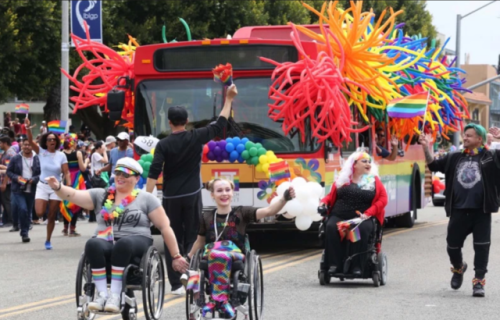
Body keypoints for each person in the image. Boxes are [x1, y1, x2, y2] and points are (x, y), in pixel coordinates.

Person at [44, 157, 189, 313]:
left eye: (126, 174)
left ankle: (115, 295)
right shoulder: (102, 195)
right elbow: (72, 195)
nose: (120, 177)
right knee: (92, 244)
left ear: (137, 178)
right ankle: (102, 295)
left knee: (123, 243)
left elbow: (165, 227)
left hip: (137, 241)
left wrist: (176, 255)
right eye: (118, 173)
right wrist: (57, 186)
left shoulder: (146, 198)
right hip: (106, 240)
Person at [146, 84, 238, 295]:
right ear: (186, 121)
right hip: (192, 194)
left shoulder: (163, 144)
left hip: (170, 196)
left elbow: (154, 172)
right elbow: (220, 123)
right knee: (194, 237)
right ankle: (191, 276)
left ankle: (176, 284)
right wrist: (229, 99)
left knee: (172, 237)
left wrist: (144, 195)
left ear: (169, 122)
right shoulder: (196, 136)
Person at [186, 178, 295, 318]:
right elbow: (200, 242)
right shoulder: (206, 216)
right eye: (219, 191)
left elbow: (269, 211)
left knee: (219, 256)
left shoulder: (242, 212)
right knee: (195, 270)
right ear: (212, 194)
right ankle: (208, 300)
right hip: (211, 253)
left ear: (232, 192)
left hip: (235, 255)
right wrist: (188, 258)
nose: (224, 193)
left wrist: (284, 199)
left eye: (227, 190)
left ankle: (218, 301)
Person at [419, 123, 500, 297]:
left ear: (480, 139)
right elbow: (433, 165)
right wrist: (426, 147)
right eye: (464, 135)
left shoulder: (491, 156)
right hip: (459, 210)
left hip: (481, 210)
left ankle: (479, 282)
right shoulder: (454, 156)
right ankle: (458, 268)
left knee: (482, 247)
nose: (465, 138)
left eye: (469, 135)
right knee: (452, 246)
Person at [319, 151, 388, 276]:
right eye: (364, 161)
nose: (368, 164)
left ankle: (357, 266)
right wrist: (323, 203)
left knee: (360, 230)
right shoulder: (343, 179)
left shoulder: (373, 180)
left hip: (362, 218)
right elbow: (330, 197)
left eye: (369, 161)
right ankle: (334, 264)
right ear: (354, 164)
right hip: (339, 214)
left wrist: (368, 213)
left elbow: (383, 199)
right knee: (330, 227)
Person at [25, 118, 71, 250]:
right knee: (39, 213)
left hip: (56, 188)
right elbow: (30, 140)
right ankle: (43, 205)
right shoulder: (41, 152)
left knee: (51, 215)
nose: (52, 141)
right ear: (45, 142)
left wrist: (67, 186)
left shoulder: (61, 155)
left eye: (54, 139)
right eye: (49, 139)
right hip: (42, 185)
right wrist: (28, 128)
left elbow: (66, 172)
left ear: (57, 142)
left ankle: (48, 240)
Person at [6, 138, 40, 243]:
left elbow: (41, 173)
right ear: (22, 146)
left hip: (31, 188)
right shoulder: (15, 158)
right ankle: (24, 233)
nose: (27, 147)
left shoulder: (37, 158)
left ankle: (25, 230)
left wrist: (33, 180)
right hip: (18, 189)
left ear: (32, 146)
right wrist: (18, 179)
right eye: (25, 145)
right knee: (23, 209)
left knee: (28, 211)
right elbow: (9, 172)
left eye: (29, 145)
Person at [61, 136, 88, 236]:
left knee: (66, 203)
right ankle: (72, 229)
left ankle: (65, 227)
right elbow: (83, 168)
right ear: (73, 143)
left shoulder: (61, 154)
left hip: (66, 179)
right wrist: (87, 162)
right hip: (76, 179)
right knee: (76, 203)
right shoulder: (78, 153)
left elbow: (61, 169)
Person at [0, 135, 18, 231]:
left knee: (7, 201)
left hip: (8, 182)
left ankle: (11, 221)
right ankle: (6, 220)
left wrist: (4, 183)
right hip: (5, 181)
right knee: (5, 201)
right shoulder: (5, 153)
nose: (0, 145)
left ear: (5, 143)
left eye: (0, 143)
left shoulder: (10, 154)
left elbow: (8, 170)